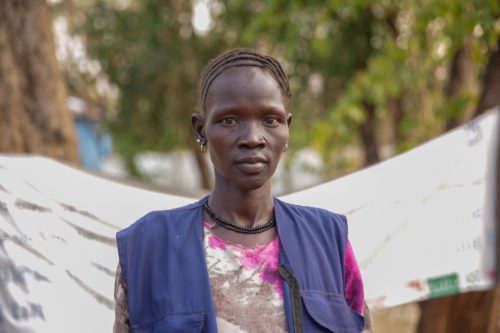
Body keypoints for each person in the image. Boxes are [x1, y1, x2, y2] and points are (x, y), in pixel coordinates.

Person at [113, 49, 372, 333]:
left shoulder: (328, 240)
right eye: (229, 120)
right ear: (201, 129)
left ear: (287, 128)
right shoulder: (150, 245)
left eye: (270, 120)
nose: (252, 138)